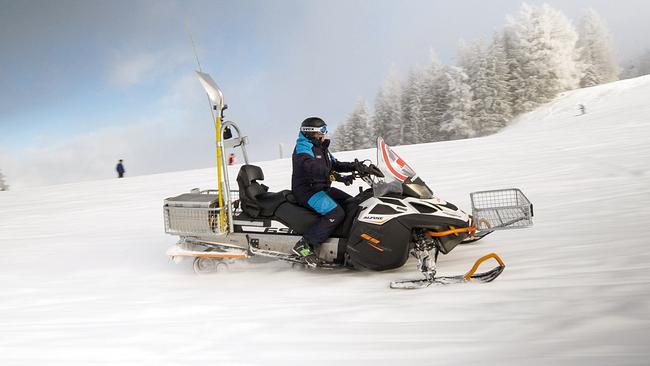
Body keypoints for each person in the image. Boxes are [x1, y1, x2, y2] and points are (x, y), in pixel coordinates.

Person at [291, 117, 358, 267]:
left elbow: (336, 164)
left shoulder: (321, 148)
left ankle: (345, 243)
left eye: (325, 131)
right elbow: (311, 166)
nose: (324, 135)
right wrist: (335, 176)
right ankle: (304, 245)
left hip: (322, 188)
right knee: (336, 213)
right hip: (307, 191)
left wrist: (356, 166)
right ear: (310, 133)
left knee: (352, 203)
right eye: (321, 132)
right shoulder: (303, 148)